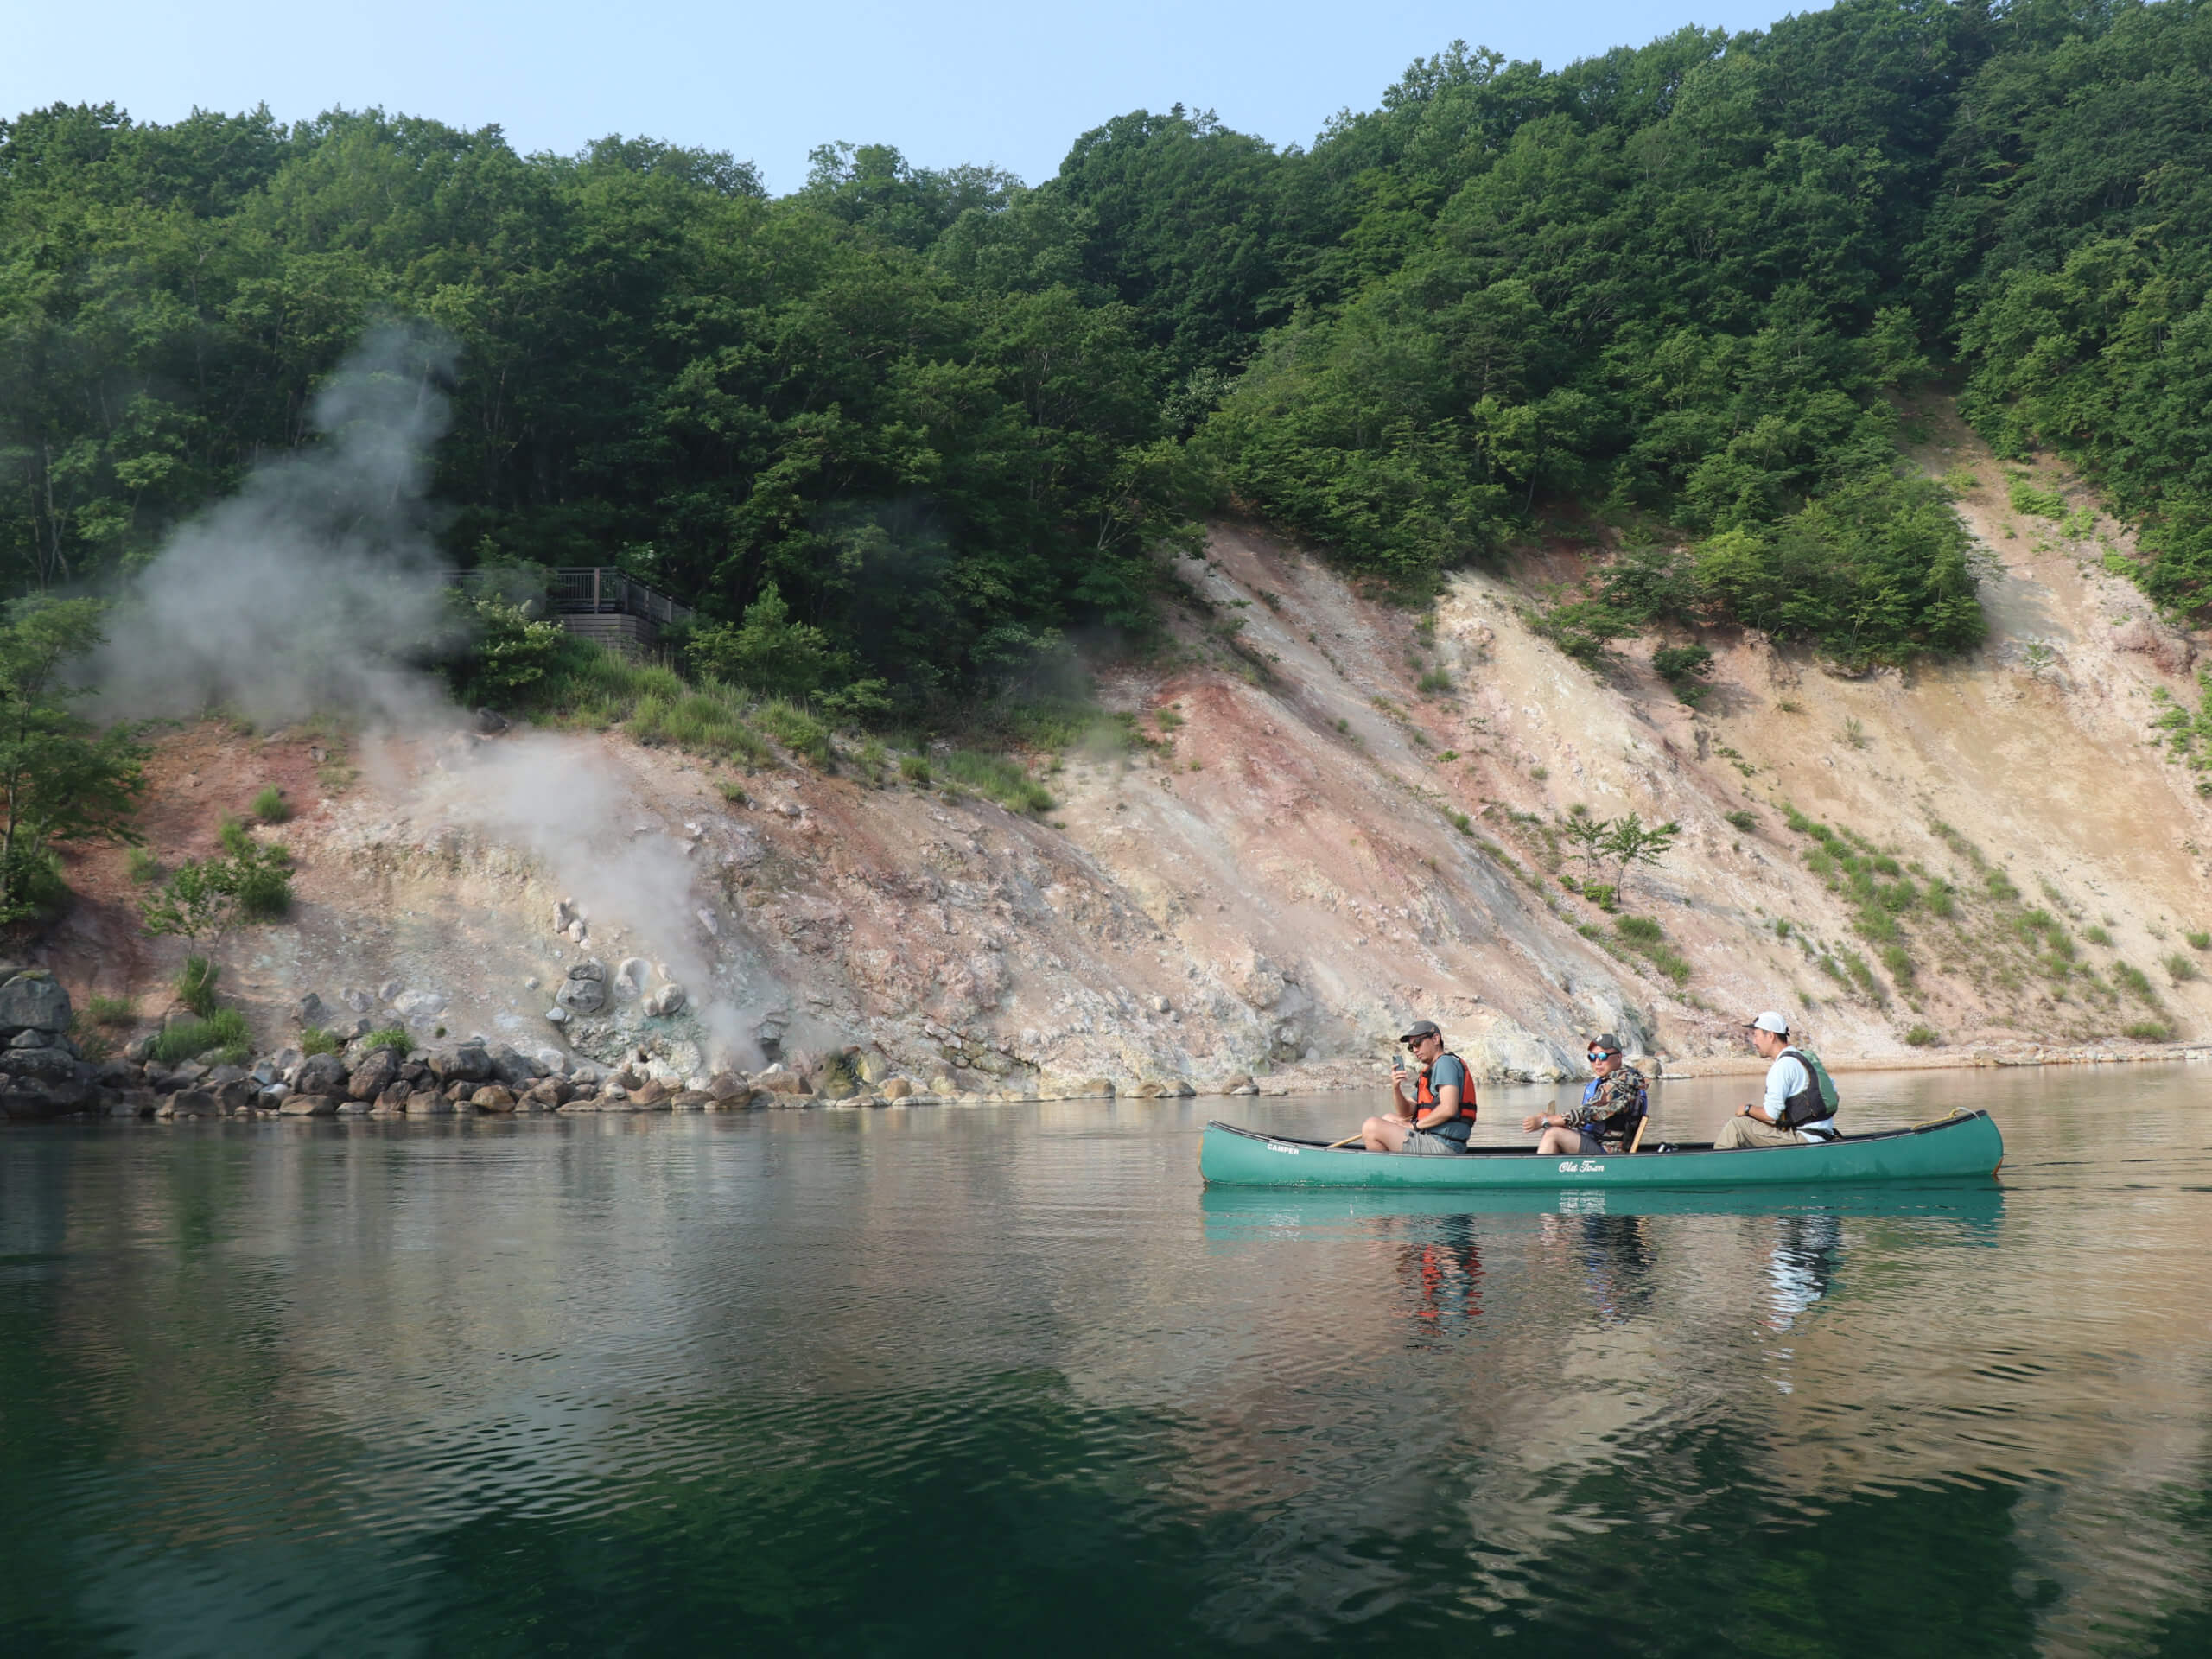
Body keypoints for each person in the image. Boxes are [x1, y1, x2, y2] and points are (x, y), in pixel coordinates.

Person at [1713, 1012, 1840, 1147]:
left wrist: (1747, 1109)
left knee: (1737, 1126)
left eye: (1756, 1035)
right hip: (1823, 1135)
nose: (1754, 1041)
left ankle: (1713, 1166)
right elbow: (1835, 1096)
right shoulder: (1805, 1058)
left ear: (1770, 1035)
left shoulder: (1782, 1066)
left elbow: (1771, 1114)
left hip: (1804, 1139)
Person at [1359, 1020, 1476, 1154]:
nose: (1415, 1050)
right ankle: (1393, 1168)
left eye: (1418, 1043)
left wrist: (1414, 1126)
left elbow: (1448, 1109)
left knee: (1371, 1127)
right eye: (1411, 1047)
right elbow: (1406, 1112)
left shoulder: (1445, 1063)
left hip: (1444, 1146)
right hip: (1433, 1138)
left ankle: (1385, 1171)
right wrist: (1396, 1088)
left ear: (1435, 1039)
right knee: (1388, 1118)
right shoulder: (1432, 1070)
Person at [1522, 1033, 1648, 1155]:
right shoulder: (1614, 1080)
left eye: (1603, 1056)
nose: (1597, 1062)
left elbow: (1585, 1114)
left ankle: (1537, 1175)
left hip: (1610, 1154)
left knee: (1553, 1133)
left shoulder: (1620, 1086)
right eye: (1592, 1058)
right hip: (1596, 1143)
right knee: (1553, 1128)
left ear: (1619, 1057)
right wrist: (1550, 1119)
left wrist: (1544, 1121)